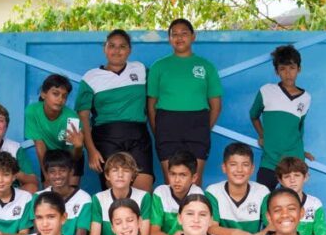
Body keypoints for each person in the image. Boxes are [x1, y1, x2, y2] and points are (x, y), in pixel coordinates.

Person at [76, 29, 154, 192]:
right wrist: (91, 150)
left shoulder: (140, 70)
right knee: (116, 191)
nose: (116, 51)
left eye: (122, 46)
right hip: (106, 138)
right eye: (112, 46)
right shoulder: (90, 77)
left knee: (143, 191)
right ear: (105, 48)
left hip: (138, 136)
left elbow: (156, 97)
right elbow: (83, 117)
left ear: (129, 50)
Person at [147, 19, 222, 185]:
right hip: (167, 125)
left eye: (184, 33)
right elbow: (151, 105)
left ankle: (195, 210)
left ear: (193, 37)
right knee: (172, 181)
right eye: (174, 34)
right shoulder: (158, 67)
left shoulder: (206, 66)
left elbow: (216, 106)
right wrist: (158, 131)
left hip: (197, 125)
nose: (179, 37)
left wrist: (202, 128)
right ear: (169, 39)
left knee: (194, 180)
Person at [250, 45, 314, 190]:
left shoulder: (306, 98)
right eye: (283, 69)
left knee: (291, 202)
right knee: (262, 200)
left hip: (294, 161)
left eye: (291, 68)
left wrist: (301, 152)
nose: (288, 73)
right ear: (277, 71)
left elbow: (298, 129)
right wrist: (262, 135)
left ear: (299, 69)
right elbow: (253, 115)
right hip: (270, 159)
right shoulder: (266, 91)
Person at [205, 142, 270, 235]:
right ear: (224, 168)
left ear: (252, 169)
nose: (239, 169)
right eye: (233, 164)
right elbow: (211, 228)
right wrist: (237, 233)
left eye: (245, 164)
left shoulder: (262, 192)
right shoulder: (213, 192)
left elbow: (272, 226)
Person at [25, 74, 85, 186]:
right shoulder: (32, 111)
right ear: (43, 94)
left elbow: (75, 156)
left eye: (64, 96)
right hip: (49, 157)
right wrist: (46, 174)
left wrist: (78, 146)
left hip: (70, 155)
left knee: (70, 194)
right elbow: (39, 145)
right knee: (50, 196)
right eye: (55, 94)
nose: (60, 99)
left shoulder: (71, 118)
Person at [37, 149, 92, 235]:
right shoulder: (38, 197)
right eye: (52, 172)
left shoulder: (84, 199)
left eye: (62, 171)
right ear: (47, 174)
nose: (57, 176)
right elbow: (39, 233)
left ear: (71, 172)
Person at [149, 150, 203, 235]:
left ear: (194, 178)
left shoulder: (198, 194)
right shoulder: (160, 192)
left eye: (183, 175)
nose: (176, 180)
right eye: (173, 174)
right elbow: (154, 233)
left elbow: (201, 232)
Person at [274, 156, 326, 235]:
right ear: (280, 180)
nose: (292, 180)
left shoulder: (315, 203)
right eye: (287, 176)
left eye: (297, 175)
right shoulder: (274, 203)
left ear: (306, 177)